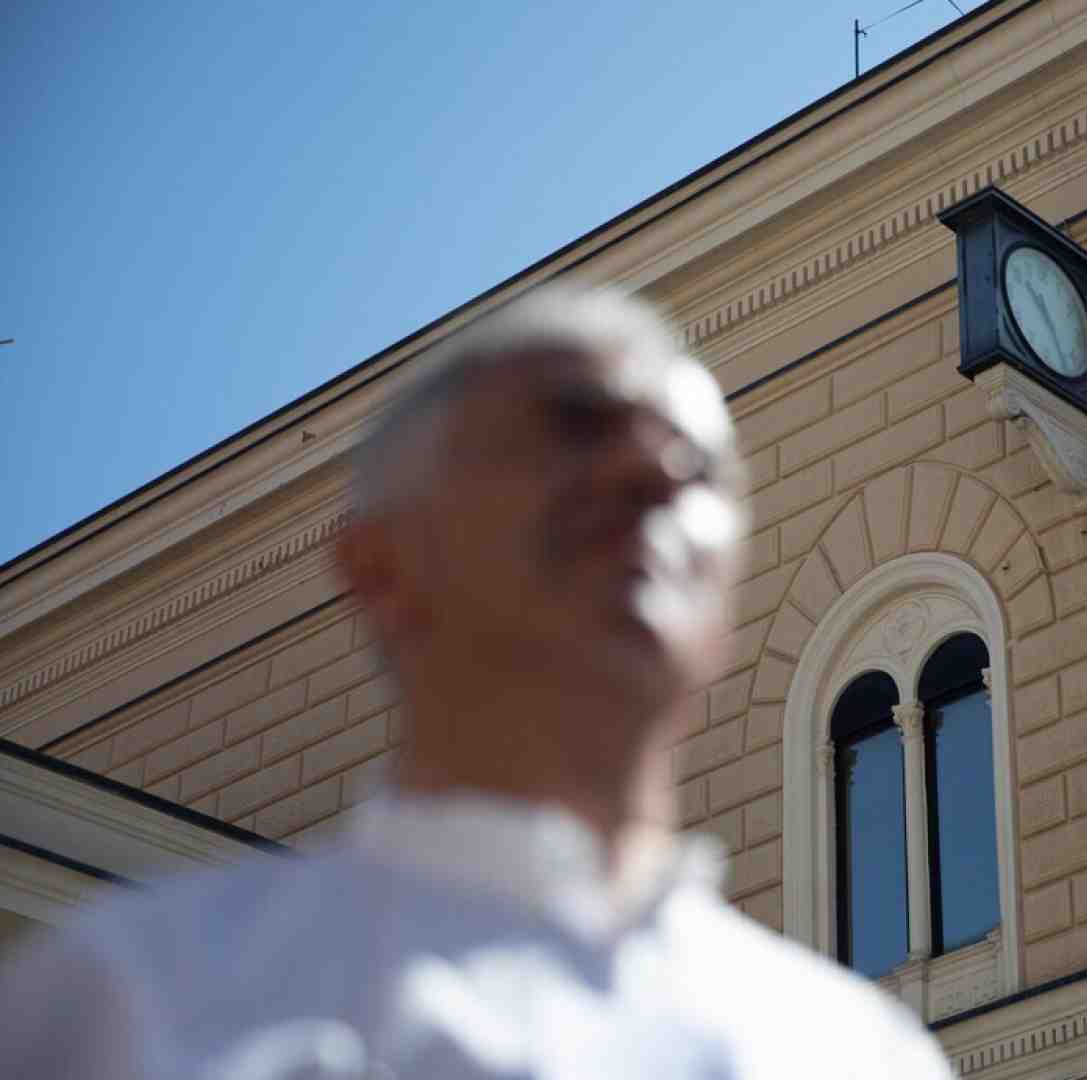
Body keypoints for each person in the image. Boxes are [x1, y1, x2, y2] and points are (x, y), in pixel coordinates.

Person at [0, 288, 955, 1079]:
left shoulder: (861, 1055)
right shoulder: (129, 1005)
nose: (649, 469)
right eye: (573, 428)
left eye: (697, 466)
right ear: (381, 568)